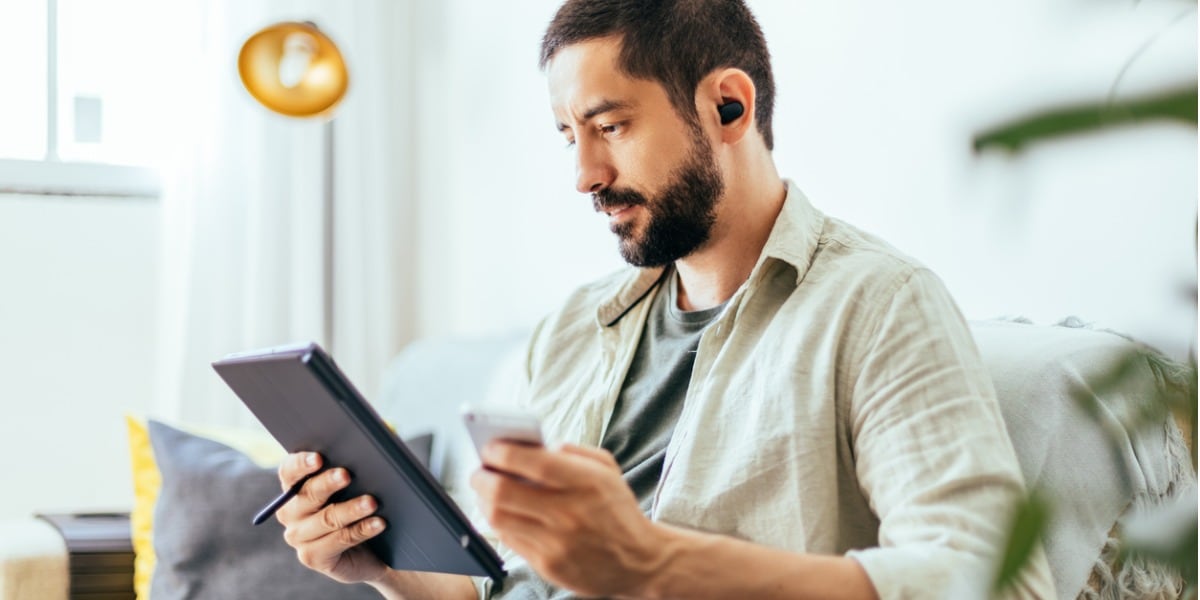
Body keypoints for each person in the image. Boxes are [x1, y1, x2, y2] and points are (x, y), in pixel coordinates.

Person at [274, 1, 1056, 598]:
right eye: (567, 136)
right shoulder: (574, 330)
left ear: (728, 107)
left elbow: (993, 580)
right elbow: (512, 582)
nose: (583, 174)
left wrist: (651, 561)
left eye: (608, 126)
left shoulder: (878, 306)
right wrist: (385, 566)